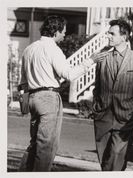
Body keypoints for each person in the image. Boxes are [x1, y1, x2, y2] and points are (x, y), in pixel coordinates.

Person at [18, 15, 93, 171]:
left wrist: (24, 101)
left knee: (35, 143)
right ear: (55, 31)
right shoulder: (52, 49)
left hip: (32, 97)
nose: (64, 34)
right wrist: (90, 61)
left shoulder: (29, 49)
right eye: (63, 31)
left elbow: (23, 81)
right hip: (48, 98)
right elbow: (70, 74)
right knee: (46, 146)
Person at [92, 19, 133, 171]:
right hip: (103, 116)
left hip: (126, 116)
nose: (109, 36)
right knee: (105, 160)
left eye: (112, 34)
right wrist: (96, 106)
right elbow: (97, 86)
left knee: (116, 155)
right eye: (109, 33)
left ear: (124, 36)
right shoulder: (103, 58)